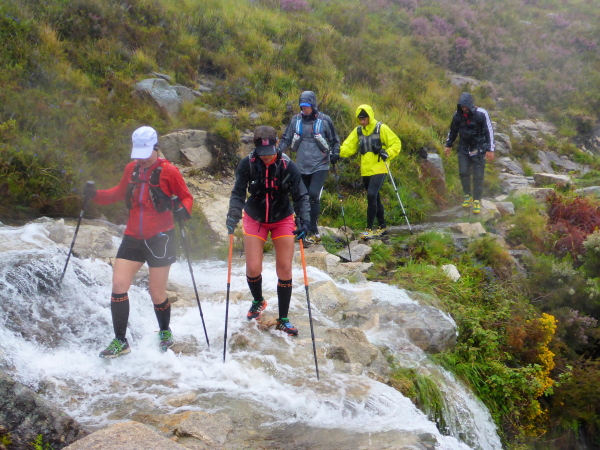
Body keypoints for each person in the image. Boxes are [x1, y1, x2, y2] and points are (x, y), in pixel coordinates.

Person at [85, 126, 193, 358]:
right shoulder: (132, 169)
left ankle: (164, 331)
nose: (141, 160)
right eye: (138, 154)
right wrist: (95, 196)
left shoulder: (169, 171)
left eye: (145, 154)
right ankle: (120, 341)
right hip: (133, 236)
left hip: (161, 238)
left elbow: (186, 197)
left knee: (156, 291)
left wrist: (183, 210)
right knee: (118, 285)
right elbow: (117, 193)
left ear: (155, 147)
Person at [226, 125, 310, 336]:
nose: (266, 157)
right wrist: (233, 213)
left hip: (282, 218)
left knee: (284, 268)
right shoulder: (247, 164)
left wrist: (305, 221)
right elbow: (238, 193)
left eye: (270, 152)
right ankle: (258, 301)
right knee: (253, 267)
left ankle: (283, 319)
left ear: (277, 145)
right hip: (255, 217)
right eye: (262, 153)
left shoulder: (288, 165)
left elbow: (300, 195)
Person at [278, 91, 340, 245]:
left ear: (313, 106)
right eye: (302, 106)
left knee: (313, 194)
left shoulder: (324, 120)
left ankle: (313, 230)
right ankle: (302, 230)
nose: (304, 109)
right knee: (301, 197)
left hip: (320, 165)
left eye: (307, 106)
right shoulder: (295, 120)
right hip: (301, 165)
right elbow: (286, 139)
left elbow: (334, 140)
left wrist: (335, 153)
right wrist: (277, 152)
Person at [339, 104, 401, 239]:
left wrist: (387, 153)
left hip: (380, 167)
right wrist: (337, 152)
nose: (362, 122)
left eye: (364, 119)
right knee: (375, 197)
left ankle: (369, 229)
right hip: (366, 170)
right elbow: (348, 146)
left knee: (371, 194)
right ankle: (382, 226)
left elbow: (396, 143)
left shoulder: (381, 128)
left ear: (370, 116)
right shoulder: (358, 131)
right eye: (360, 119)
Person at [444, 92, 495, 214]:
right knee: (463, 172)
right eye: (462, 106)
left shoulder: (481, 114)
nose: (464, 109)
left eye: (466, 106)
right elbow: (453, 131)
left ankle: (477, 200)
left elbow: (489, 131)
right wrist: (448, 145)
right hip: (464, 148)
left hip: (479, 148)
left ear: (471, 105)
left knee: (478, 175)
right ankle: (468, 195)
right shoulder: (457, 115)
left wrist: (490, 149)